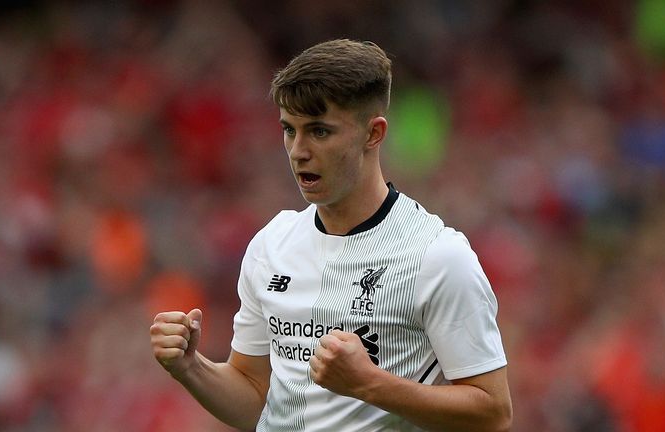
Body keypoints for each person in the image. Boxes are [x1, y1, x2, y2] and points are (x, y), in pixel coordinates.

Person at [150, 39, 512, 431]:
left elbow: (493, 412)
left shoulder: (437, 256)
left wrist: (370, 383)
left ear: (373, 134)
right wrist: (191, 367)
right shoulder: (271, 246)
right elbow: (256, 398)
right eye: (290, 130)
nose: (298, 151)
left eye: (319, 132)